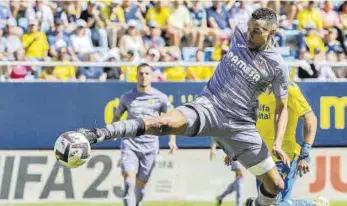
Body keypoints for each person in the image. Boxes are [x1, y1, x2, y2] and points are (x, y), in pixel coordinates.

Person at [76, 8, 296, 206]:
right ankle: (98, 134)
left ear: (271, 33)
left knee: (275, 186)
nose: (249, 34)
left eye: (256, 31)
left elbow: (282, 107)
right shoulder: (239, 32)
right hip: (209, 106)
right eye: (249, 28)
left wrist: (277, 143)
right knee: (163, 122)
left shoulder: (276, 65)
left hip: (241, 126)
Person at [112, 63, 178, 206]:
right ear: (136, 75)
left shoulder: (160, 98)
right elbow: (117, 115)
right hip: (130, 143)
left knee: (139, 190)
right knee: (129, 182)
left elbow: (171, 120)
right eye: (141, 73)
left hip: (150, 146)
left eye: (147, 73)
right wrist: (113, 131)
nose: (143, 76)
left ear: (152, 76)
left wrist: (172, 140)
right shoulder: (127, 97)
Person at [257, 81, 327, 206]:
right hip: (261, 158)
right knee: (264, 203)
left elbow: (310, 119)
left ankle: (314, 204)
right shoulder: (255, 85)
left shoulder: (289, 89)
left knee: (272, 204)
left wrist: (305, 153)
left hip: (283, 157)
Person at [210, 140, 244, 206]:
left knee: (238, 180)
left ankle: (220, 197)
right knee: (240, 178)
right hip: (234, 155)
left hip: (239, 154)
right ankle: (238, 204)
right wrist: (213, 148)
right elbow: (216, 138)